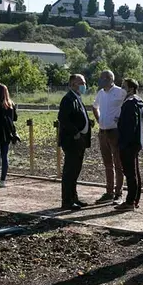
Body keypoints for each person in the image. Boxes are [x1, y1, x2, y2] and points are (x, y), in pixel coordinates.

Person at [58, 74, 92, 210]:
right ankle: (67, 201)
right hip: (72, 141)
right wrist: (75, 132)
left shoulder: (77, 98)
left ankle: (74, 198)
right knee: (69, 172)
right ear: (73, 84)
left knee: (76, 171)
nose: (84, 85)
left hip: (80, 141)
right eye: (81, 83)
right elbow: (63, 119)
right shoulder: (68, 99)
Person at [93, 70, 127, 205]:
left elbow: (128, 106)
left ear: (109, 79)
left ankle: (118, 193)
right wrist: (99, 120)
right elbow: (95, 106)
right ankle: (109, 192)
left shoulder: (120, 92)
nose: (100, 80)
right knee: (108, 164)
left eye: (102, 78)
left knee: (118, 164)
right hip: (102, 132)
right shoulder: (100, 93)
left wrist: (121, 119)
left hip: (115, 132)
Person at [114, 78, 143, 211]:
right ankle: (135, 199)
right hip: (135, 142)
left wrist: (123, 142)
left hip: (128, 143)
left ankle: (130, 202)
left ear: (131, 89)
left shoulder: (130, 103)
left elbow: (130, 125)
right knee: (135, 173)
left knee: (130, 173)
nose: (121, 89)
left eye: (124, 86)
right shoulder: (138, 102)